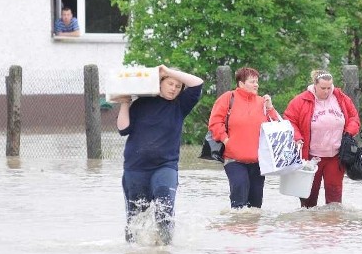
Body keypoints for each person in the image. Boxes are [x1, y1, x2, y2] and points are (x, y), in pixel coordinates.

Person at [116, 65, 204, 244]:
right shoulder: (141, 103)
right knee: (135, 218)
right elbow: (123, 129)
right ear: (159, 84)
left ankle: (164, 252)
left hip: (165, 166)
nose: (174, 88)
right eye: (170, 84)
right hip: (135, 169)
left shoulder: (180, 105)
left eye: (178, 86)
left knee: (165, 208)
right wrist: (125, 103)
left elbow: (197, 83)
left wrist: (167, 71)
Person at [284, 70, 360, 208]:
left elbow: (354, 117)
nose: (326, 91)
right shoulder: (301, 100)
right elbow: (289, 120)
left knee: (334, 202)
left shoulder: (341, 98)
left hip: (336, 156)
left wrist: (349, 132)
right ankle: (309, 228)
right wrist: (297, 137)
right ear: (315, 86)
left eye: (329, 88)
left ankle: (332, 227)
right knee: (308, 201)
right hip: (311, 157)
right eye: (323, 88)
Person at [208, 67, 280, 209]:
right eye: (252, 81)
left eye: (257, 82)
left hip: (258, 161)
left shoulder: (262, 102)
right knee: (239, 198)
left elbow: (277, 127)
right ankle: (236, 229)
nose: (256, 85)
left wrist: (270, 108)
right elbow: (215, 122)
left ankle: (252, 230)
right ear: (241, 83)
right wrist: (226, 140)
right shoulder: (228, 98)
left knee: (255, 206)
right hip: (234, 159)